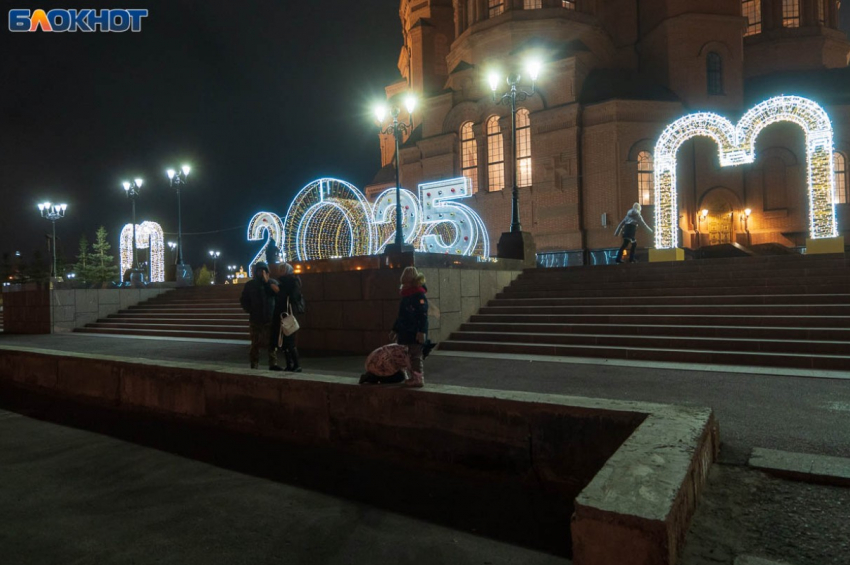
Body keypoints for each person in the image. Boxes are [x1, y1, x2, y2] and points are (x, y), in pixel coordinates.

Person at [390, 266, 428, 388]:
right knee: (407, 356)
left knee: (415, 356)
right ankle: (412, 377)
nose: (403, 285)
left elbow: (423, 316)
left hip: (414, 332)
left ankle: (417, 378)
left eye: (406, 282)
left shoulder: (418, 296)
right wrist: (395, 329)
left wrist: (421, 331)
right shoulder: (407, 296)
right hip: (406, 331)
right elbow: (401, 316)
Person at [239, 262, 280, 370]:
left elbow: (278, 294)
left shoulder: (272, 283)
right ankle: (254, 363)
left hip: (269, 318)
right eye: (259, 271)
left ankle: (273, 364)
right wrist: (250, 309)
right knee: (255, 344)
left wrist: (267, 282)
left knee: (271, 344)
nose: (261, 273)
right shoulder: (250, 285)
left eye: (263, 271)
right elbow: (244, 300)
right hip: (256, 319)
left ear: (267, 272)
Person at [271, 262, 305, 372]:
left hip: (289, 314)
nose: (279, 271)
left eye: (282, 269)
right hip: (281, 315)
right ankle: (289, 365)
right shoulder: (282, 282)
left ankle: (296, 365)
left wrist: (278, 291)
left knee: (290, 341)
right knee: (285, 342)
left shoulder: (293, 282)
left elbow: (291, 298)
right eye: (279, 269)